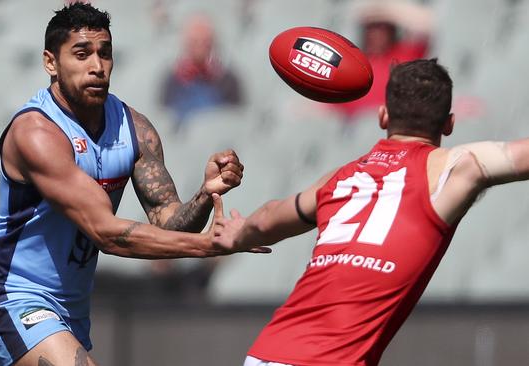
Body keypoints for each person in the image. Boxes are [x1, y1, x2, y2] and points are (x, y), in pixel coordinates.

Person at [0, 4, 265, 366]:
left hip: (71, 306)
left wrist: (205, 194)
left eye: (104, 53)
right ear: (50, 63)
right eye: (81, 54)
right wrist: (209, 246)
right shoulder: (37, 133)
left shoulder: (134, 129)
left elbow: (169, 222)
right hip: (12, 293)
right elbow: (106, 233)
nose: (97, 65)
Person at [213, 59, 529, 366]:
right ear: (449, 123)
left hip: (268, 350)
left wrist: (238, 233)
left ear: (383, 116)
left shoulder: (342, 177)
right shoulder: (452, 170)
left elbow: (268, 217)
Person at [329, 0, 433, 125]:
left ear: (392, 31)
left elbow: (426, 24)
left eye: (382, 28)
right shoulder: (352, 65)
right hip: (358, 131)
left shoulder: (405, 56)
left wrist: (384, 9)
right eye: (371, 28)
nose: (376, 34)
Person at [158, 13, 244, 132]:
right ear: (185, 44)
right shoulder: (171, 82)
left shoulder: (229, 80)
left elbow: (236, 121)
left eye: (205, 42)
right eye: (194, 42)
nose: (200, 46)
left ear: (213, 43)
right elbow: (165, 120)